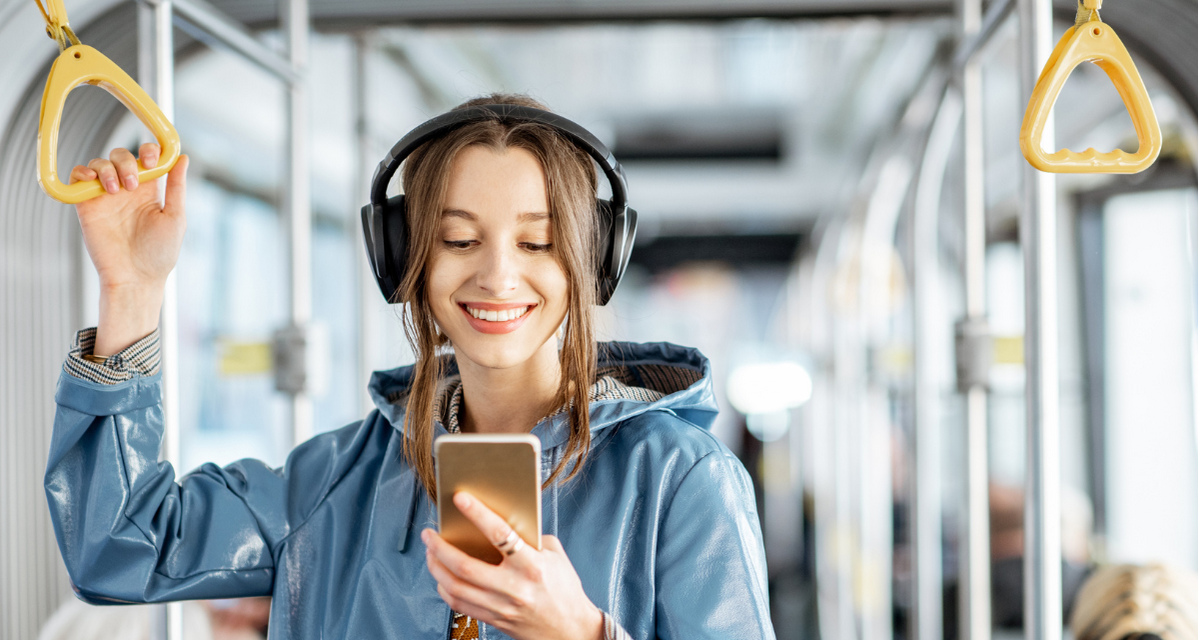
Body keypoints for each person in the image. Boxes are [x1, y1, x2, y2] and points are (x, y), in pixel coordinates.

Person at [45, 93, 774, 640]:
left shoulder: (679, 479)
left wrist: (584, 634)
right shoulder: (339, 481)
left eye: (536, 243)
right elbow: (120, 546)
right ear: (405, 261)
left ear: (591, 263)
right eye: (458, 240)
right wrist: (131, 292)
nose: (496, 276)